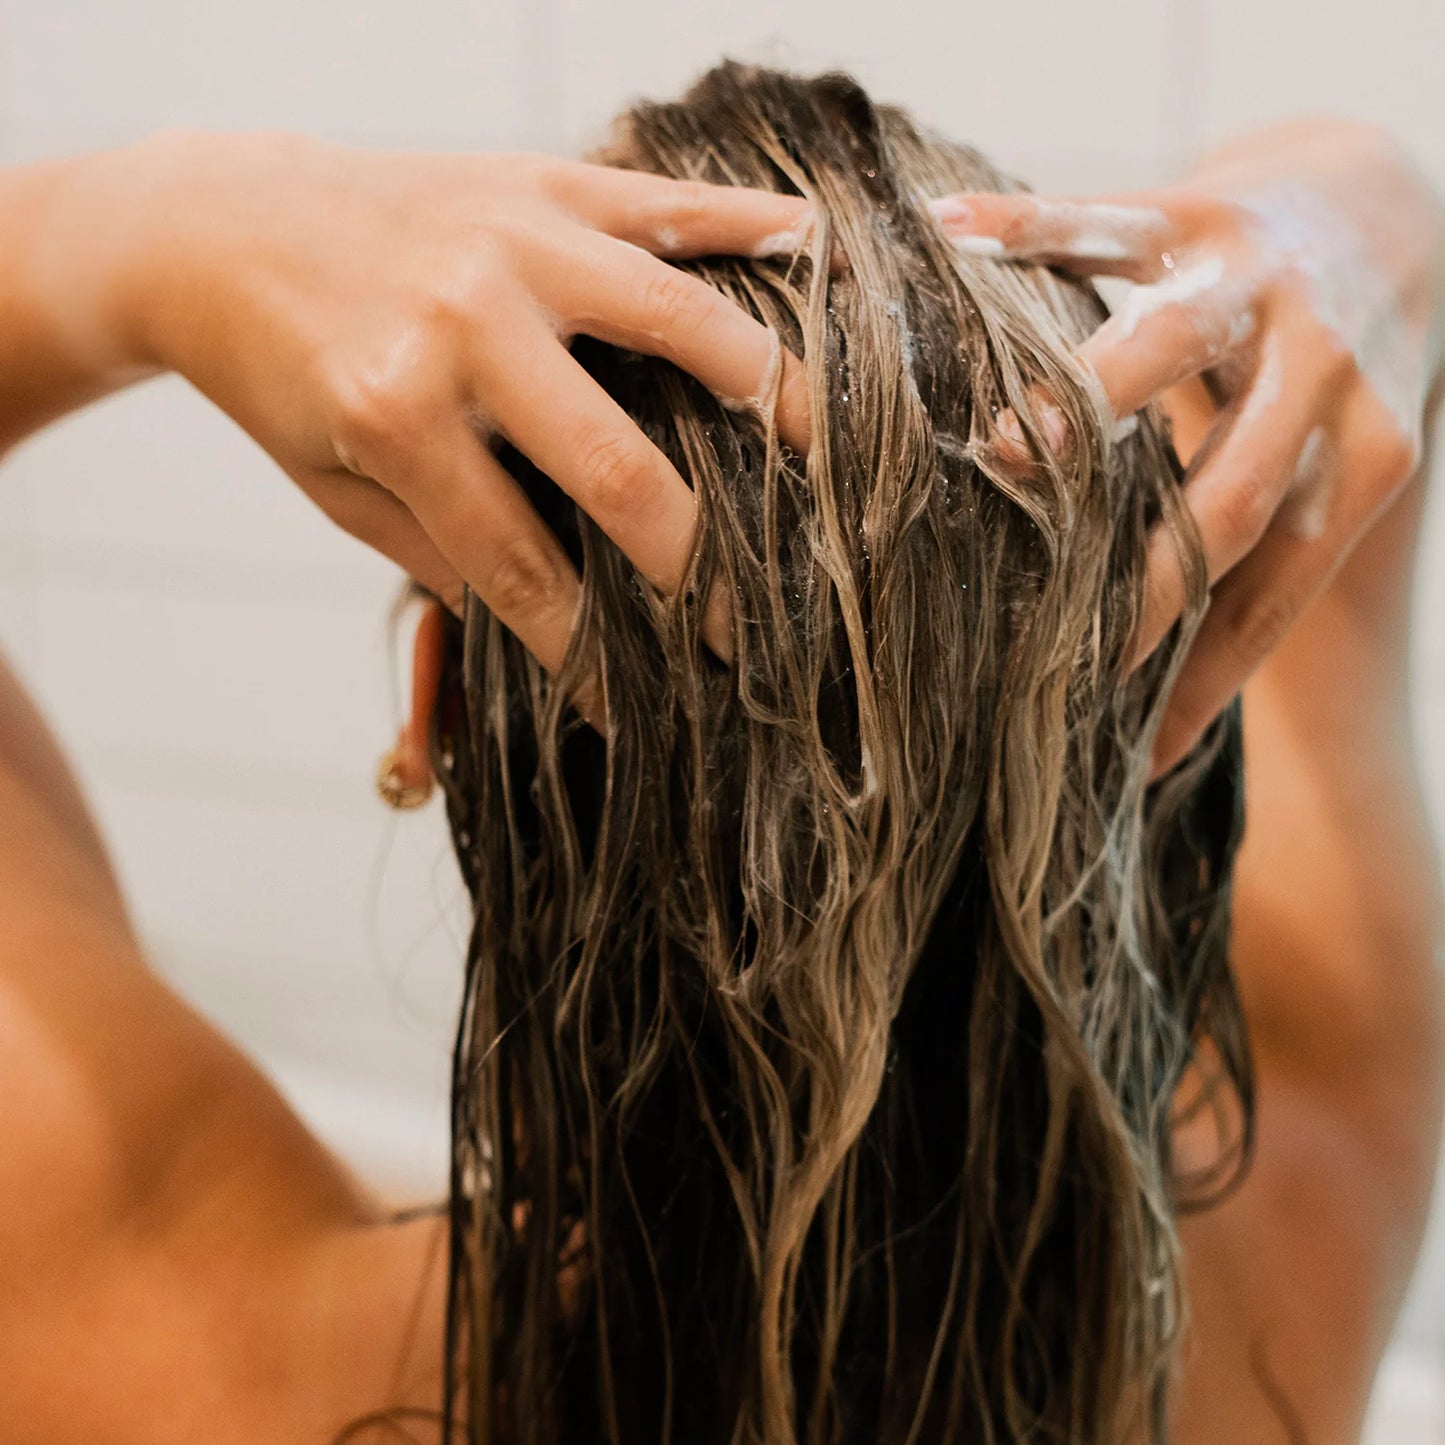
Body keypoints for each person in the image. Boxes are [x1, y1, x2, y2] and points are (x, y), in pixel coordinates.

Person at [0, 58, 1438, 1445]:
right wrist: (1358, 209)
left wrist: (169, 212)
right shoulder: (1312, 1189)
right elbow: (1376, 309)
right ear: (1155, 718)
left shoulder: (149, 1316)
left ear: (436, 703)